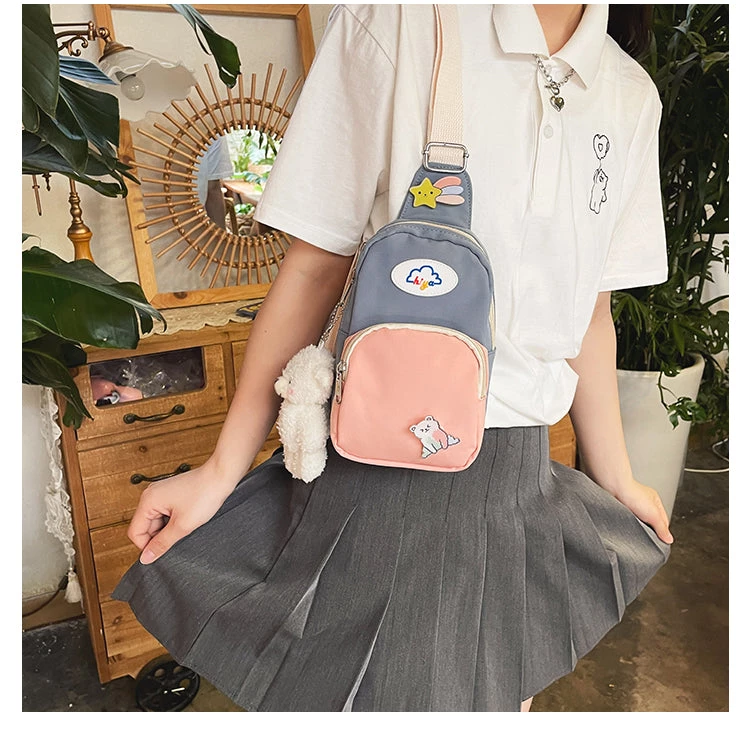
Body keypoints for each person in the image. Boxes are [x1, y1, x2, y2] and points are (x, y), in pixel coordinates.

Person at [114, 4, 673, 712]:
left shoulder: (628, 94)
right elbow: (314, 267)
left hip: (520, 494)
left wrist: (617, 476)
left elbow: (591, 310)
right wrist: (223, 468)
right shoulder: (398, 21)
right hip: (373, 488)